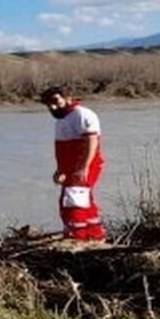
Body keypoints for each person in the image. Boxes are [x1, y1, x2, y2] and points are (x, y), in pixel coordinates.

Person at [40, 86, 107, 241]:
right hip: (70, 168)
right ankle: (94, 235)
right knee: (77, 201)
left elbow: (92, 141)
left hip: (86, 165)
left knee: (74, 202)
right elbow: (62, 150)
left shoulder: (82, 114)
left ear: (68, 97)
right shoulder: (61, 121)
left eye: (55, 101)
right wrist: (60, 170)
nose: (52, 106)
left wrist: (84, 167)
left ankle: (79, 237)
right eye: (48, 104)